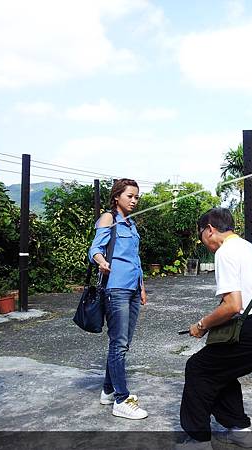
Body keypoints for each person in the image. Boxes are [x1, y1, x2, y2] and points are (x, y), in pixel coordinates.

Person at [178, 208, 252, 449]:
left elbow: (232, 305)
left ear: (209, 229)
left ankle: (198, 441)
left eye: (201, 235)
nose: (202, 241)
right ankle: (239, 430)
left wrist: (201, 325)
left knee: (198, 369)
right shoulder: (251, 247)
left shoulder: (225, 252)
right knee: (220, 370)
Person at [89, 178, 148, 420]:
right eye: (129, 196)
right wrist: (101, 261)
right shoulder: (108, 218)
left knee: (121, 343)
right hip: (116, 289)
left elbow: (135, 258)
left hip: (133, 289)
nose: (134, 201)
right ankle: (122, 400)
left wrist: (142, 286)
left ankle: (107, 391)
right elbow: (95, 248)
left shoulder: (131, 224)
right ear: (117, 197)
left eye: (136, 197)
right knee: (119, 343)